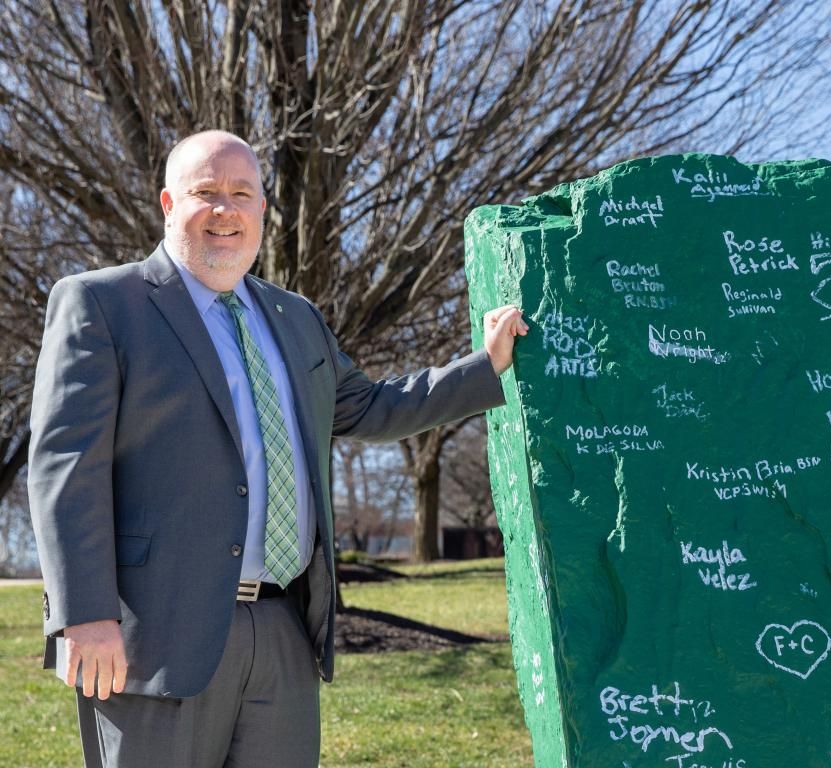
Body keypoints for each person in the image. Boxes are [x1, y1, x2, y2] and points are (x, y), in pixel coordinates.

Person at [27, 129, 527, 767]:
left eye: (242, 194)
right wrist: (84, 613)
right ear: (168, 204)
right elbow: (66, 467)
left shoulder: (296, 317)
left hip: (285, 628)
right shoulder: (101, 303)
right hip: (152, 634)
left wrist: (485, 366)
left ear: (263, 209)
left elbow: (371, 406)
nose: (225, 209)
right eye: (206, 192)